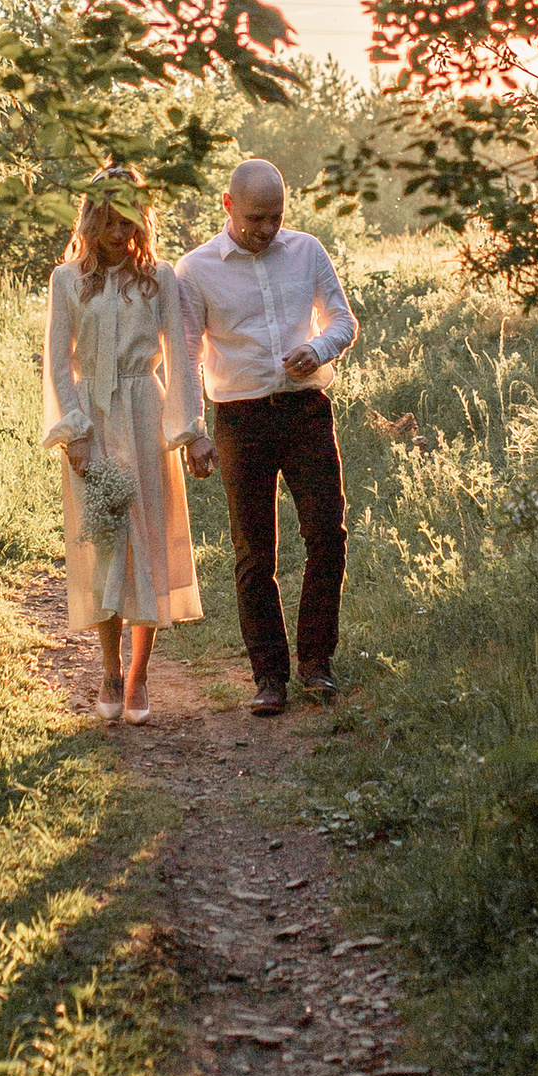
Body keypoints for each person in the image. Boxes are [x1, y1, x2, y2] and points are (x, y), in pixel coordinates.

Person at [176, 157, 358, 716]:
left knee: (327, 533)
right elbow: (184, 355)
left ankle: (316, 664)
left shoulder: (307, 250)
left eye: (276, 217)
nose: (267, 229)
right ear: (228, 206)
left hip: (306, 410)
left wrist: (319, 348)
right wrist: (192, 432)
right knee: (255, 552)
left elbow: (342, 321)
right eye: (256, 218)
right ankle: (269, 678)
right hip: (239, 419)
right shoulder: (195, 270)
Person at [42, 182, 213, 724]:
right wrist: (76, 434)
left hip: (145, 416)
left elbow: (183, 359)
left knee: (148, 543)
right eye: (109, 222)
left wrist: (191, 430)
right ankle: (109, 666)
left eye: (129, 223)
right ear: (90, 222)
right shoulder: (68, 281)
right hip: (93, 416)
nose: (119, 234)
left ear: (142, 222)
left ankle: (140, 674)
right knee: (107, 545)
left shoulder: (159, 278)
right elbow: (58, 363)